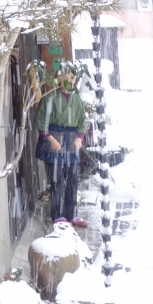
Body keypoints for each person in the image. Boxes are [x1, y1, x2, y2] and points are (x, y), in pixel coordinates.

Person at [35, 69, 89, 228]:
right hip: (55, 143)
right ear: (60, 80)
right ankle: (57, 215)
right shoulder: (50, 98)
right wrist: (50, 139)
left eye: (72, 78)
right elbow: (41, 122)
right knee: (57, 179)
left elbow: (82, 122)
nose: (70, 81)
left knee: (73, 179)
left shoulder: (77, 100)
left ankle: (72, 214)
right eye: (67, 78)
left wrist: (80, 137)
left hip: (71, 143)